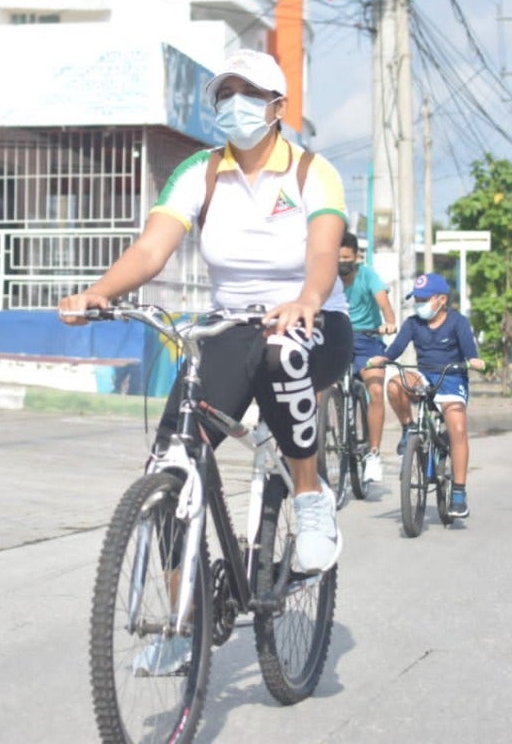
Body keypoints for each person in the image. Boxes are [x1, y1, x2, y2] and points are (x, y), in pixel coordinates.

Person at [58, 49, 351, 576]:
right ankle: (181, 612)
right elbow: (151, 250)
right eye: (225, 94)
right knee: (170, 462)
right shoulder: (201, 172)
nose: (235, 104)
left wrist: (308, 299)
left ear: (278, 107)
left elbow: (324, 253)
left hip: (314, 323)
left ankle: (310, 497)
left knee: (282, 354)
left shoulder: (312, 172)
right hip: (233, 326)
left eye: (250, 94)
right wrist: (99, 291)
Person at [366, 273, 484, 518]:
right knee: (395, 384)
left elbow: (470, 353)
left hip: (451, 378)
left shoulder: (458, 322)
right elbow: (396, 349)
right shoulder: (413, 323)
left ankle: (459, 492)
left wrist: (474, 361)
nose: (419, 304)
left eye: (424, 299)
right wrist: (383, 358)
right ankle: (409, 428)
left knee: (457, 428)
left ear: (442, 300)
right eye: (417, 299)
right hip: (424, 375)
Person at [338, 231, 397, 483]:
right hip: (338, 338)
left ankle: (373, 454)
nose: (341, 262)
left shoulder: (368, 275)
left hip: (368, 339)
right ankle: (320, 442)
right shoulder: (328, 276)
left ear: (356, 257)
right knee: (318, 389)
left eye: (346, 258)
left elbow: (383, 302)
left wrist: (389, 322)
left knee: (375, 390)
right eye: (337, 257)